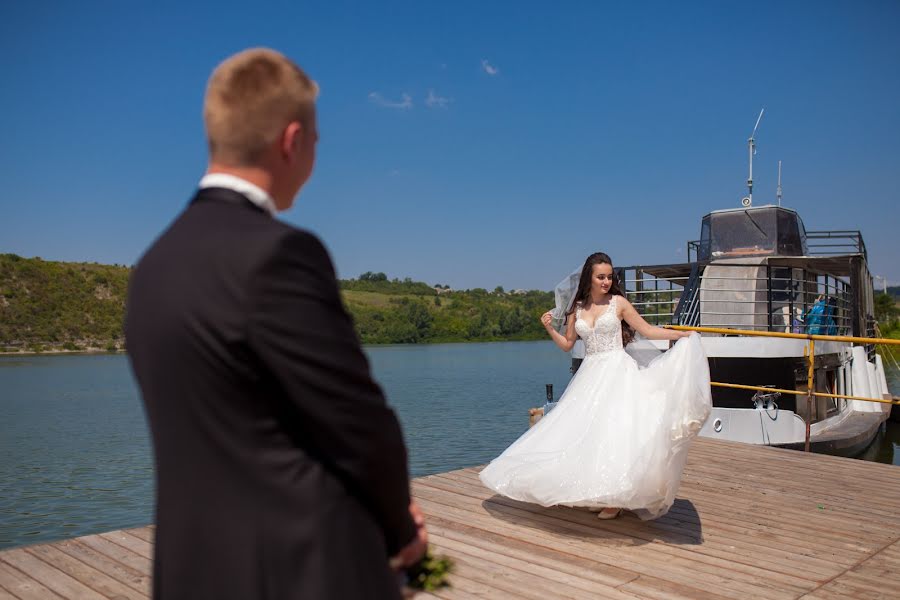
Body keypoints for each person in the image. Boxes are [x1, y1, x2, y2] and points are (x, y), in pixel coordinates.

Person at [125, 48, 426, 599]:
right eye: (315, 141)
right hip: (300, 572)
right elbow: (359, 423)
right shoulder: (279, 256)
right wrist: (400, 529)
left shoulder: (152, 267)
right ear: (292, 141)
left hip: (191, 574)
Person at [479, 252, 712, 520]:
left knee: (615, 433)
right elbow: (568, 344)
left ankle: (615, 499)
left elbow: (648, 331)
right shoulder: (577, 308)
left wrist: (682, 334)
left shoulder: (619, 303)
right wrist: (549, 329)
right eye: (600, 276)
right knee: (586, 435)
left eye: (609, 276)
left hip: (617, 371)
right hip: (590, 375)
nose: (606, 281)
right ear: (589, 278)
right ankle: (599, 493)